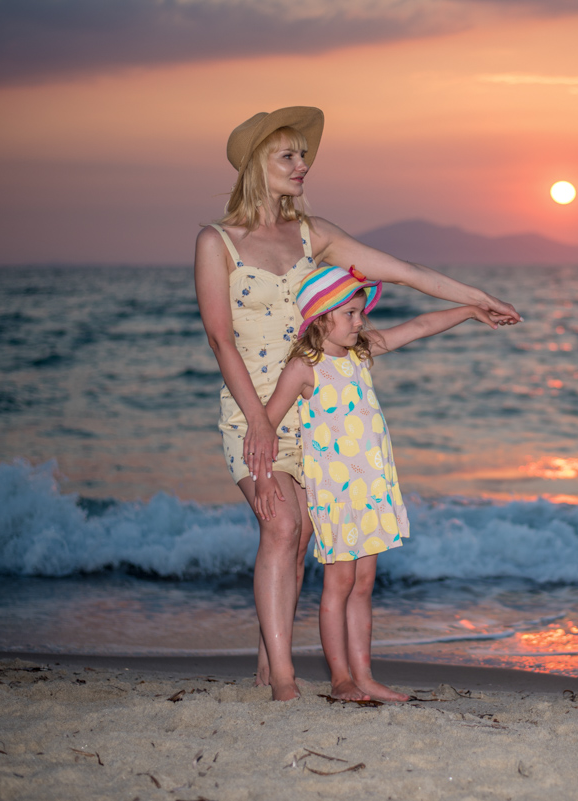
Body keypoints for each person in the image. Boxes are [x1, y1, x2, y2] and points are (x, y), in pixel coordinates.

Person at [193, 106, 520, 701]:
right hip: (253, 411)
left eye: (303, 154)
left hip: (315, 413)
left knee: (296, 548)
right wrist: (260, 423)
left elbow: (403, 272)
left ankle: (269, 665)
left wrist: (476, 298)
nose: (303, 164)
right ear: (256, 167)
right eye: (288, 156)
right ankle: (287, 685)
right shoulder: (217, 241)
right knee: (282, 524)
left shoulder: (310, 234)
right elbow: (220, 338)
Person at [259, 265, 502, 701]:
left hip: (372, 490)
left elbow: (421, 325)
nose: (360, 322)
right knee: (338, 585)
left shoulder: (361, 350)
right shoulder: (305, 367)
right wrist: (262, 479)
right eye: (350, 314)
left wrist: (469, 310)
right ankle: (341, 680)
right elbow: (267, 425)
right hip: (336, 496)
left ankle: (365, 675)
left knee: (365, 584)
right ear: (320, 318)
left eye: (360, 314)